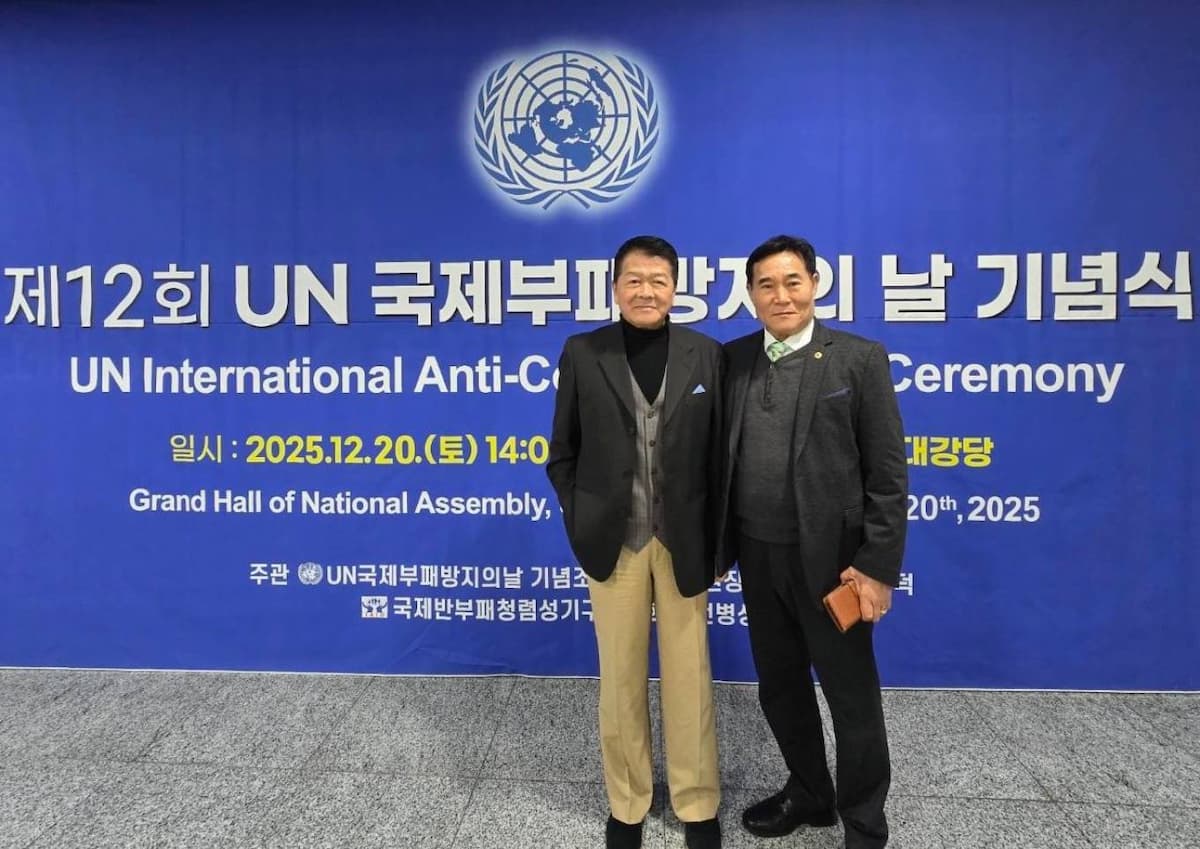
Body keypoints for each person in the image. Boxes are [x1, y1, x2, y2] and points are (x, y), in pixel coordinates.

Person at [717, 234, 908, 848]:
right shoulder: (732, 361)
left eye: (792, 281)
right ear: (750, 295)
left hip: (835, 566)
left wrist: (876, 566)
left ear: (815, 285)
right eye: (766, 285)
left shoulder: (858, 359)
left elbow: (888, 474)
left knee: (851, 699)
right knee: (780, 687)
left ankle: (865, 826)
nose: (781, 296)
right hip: (758, 555)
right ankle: (809, 793)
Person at [546, 235, 724, 849]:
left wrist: (719, 541)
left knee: (690, 678)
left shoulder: (706, 355)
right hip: (614, 544)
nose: (646, 291)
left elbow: (720, 460)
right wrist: (583, 517)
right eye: (634, 279)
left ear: (675, 288)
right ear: (615, 286)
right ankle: (627, 804)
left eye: (658, 280)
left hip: (685, 541)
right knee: (619, 679)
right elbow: (563, 452)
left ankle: (697, 804)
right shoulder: (583, 352)